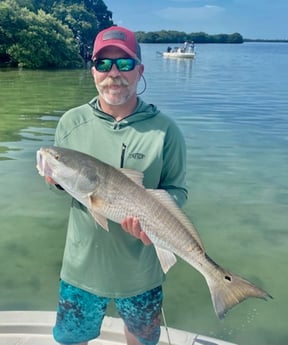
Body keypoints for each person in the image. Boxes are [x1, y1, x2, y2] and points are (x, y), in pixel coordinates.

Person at [45, 26, 188, 345]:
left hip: (141, 272)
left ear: (140, 70)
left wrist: (153, 217)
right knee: (71, 339)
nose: (114, 73)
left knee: (141, 340)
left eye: (124, 64)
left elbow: (177, 190)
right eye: (103, 64)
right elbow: (65, 184)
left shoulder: (165, 131)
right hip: (81, 269)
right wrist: (54, 181)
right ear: (92, 70)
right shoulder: (70, 123)